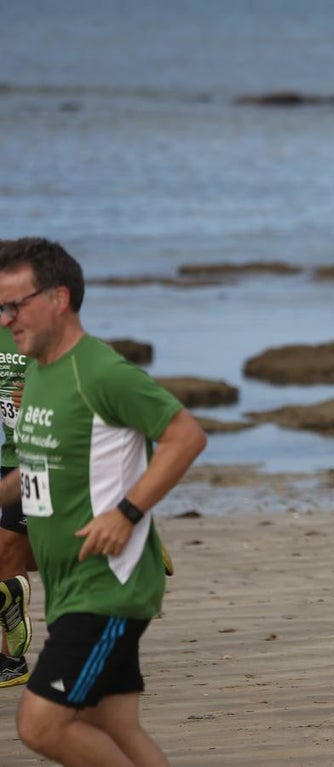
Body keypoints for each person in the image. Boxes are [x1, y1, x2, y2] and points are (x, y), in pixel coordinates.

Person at [0, 237, 207, 766]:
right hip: (70, 583)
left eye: (14, 305)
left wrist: (126, 512)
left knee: (40, 725)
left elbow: (185, 437)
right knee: (113, 727)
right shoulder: (40, 372)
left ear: (59, 298)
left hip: (107, 584)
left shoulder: (101, 372)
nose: (5, 319)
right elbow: (37, 468)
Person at [0, 322, 34, 688]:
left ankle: (11, 659)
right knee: (22, 553)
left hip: (48, 454)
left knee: (7, 549)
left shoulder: (37, 327)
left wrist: (42, 395)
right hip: (11, 455)